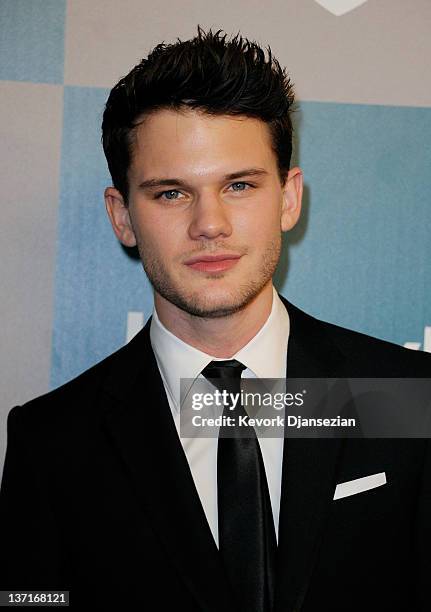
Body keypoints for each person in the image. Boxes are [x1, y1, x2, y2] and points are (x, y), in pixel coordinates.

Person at [0, 26, 430, 612]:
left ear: (287, 198)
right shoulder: (54, 443)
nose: (210, 224)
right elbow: (28, 602)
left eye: (240, 185)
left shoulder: (406, 396)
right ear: (122, 215)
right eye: (171, 193)